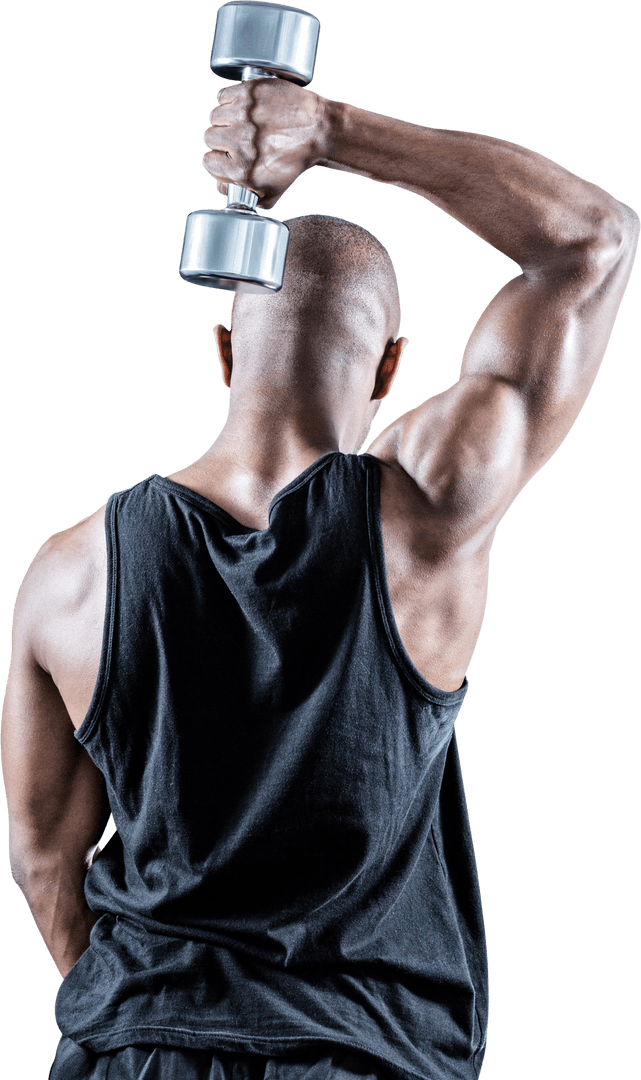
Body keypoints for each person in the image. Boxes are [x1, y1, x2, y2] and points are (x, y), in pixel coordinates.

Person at [1, 72, 638, 1080]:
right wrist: (332, 130)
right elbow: (591, 240)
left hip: (129, 1055)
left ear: (223, 350)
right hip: (361, 1058)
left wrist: (160, 1024)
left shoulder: (65, 574)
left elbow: (42, 861)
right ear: (389, 368)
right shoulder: (427, 513)